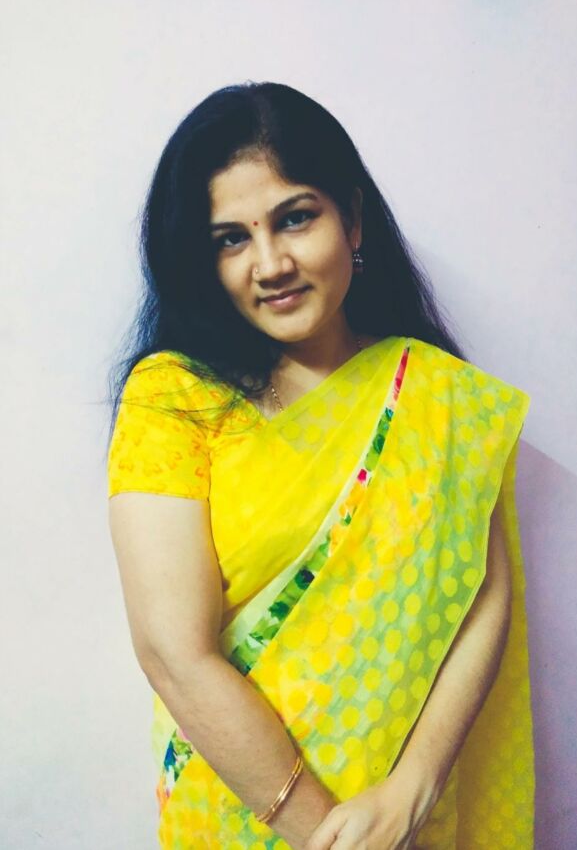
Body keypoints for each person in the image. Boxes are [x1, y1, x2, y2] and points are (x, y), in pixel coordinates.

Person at [106, 81, 536, 849]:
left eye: (295, 217)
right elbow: (174, 653)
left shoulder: (436, 395)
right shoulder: (175, 398)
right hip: (245, 813)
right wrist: (327, 835)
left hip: (401, 817)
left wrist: (410, 791)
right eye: (230, 238)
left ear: (353, 218)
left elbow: (483, 599)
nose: (270, 263)